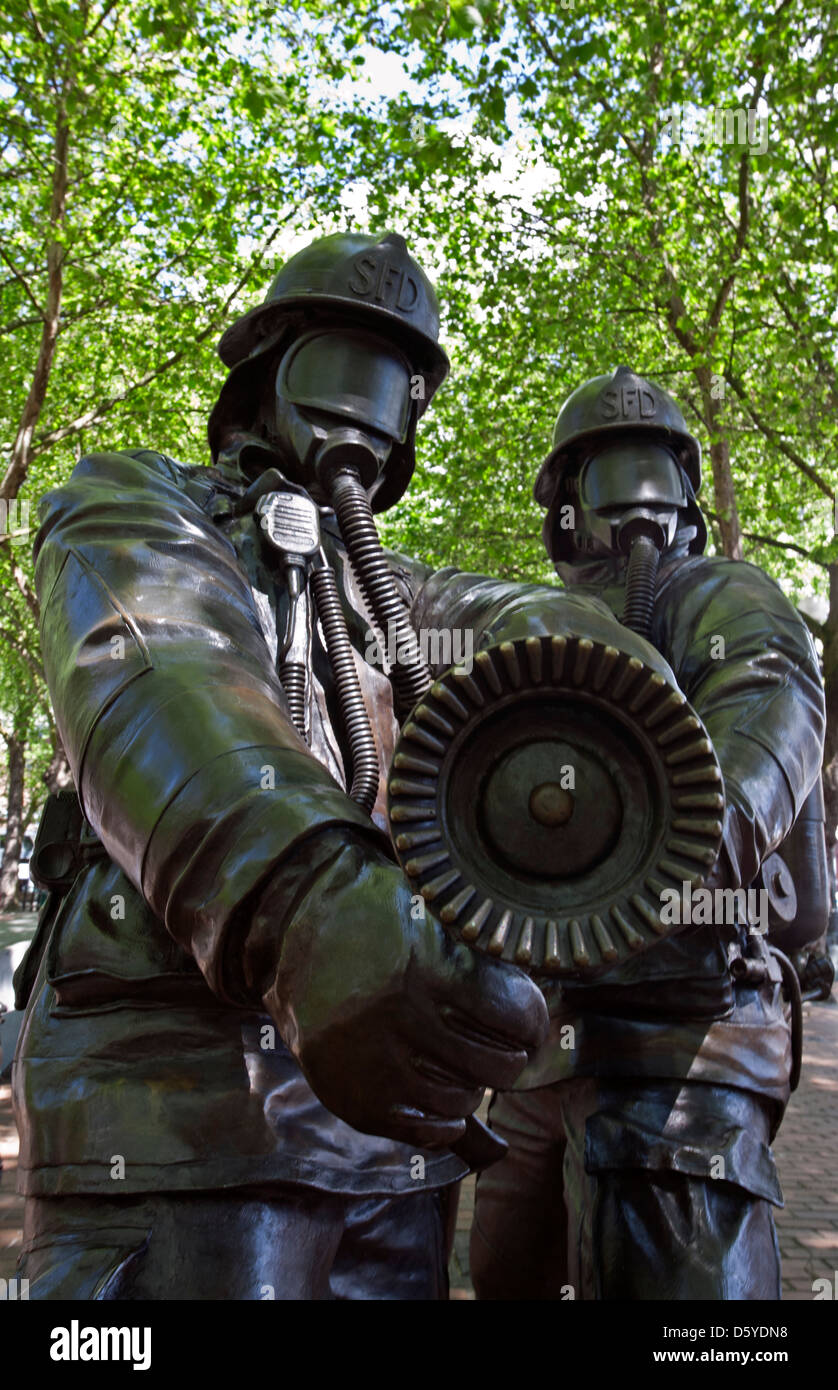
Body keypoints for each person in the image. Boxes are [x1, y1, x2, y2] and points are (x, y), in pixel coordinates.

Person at [12, 231, 549, 1301]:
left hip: (394, 1137)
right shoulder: (135, 503)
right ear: (268, 373)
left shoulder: (392, 590)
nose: (369, 406)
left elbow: (522, 627)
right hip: (184, 1104)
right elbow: (167, 668)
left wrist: (611, 682)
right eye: (343, 363)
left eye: (394, 380)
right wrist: (305, 899)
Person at [458, 365, 826, 1299]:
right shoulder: (533, 629)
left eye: (643, 476)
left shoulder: (729, 600)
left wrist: (646, 872)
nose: (634, 510)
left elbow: (764, 729)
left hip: (681, 1049)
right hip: (545, 1053)